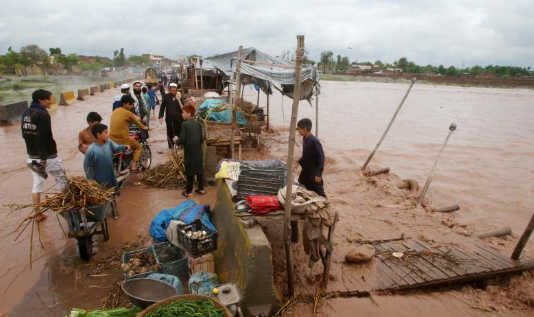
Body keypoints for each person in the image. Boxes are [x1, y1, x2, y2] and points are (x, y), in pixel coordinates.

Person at [21, 89, 67, 222]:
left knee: (37, 184)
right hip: (47, 157)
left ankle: (38, 213)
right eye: (48, 99)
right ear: (40, 100)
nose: (51, 101)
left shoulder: (26, 113)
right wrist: (43, 160)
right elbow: (42, 138)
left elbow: (25, 135)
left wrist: (35, 155)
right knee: (61, 179)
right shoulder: (43, 115)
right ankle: (67, 205)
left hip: (32, 156)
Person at [84, 123, 131, 218]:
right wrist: (91, 181)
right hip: (98, 178)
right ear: (98, 135)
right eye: (106, 132)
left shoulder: (109, 143)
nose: (108, 134)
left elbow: (117, 147)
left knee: (112, 194)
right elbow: (87, 166)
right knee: (101, 196)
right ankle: (102, 212)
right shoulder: (91, 150)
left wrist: (124, 146)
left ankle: (114, 211)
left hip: (110, 175)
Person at [109, 94, 149, 172]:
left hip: (111, 139)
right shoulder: (128, 113)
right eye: (130, 104)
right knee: (138, 147)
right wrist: (145, 127)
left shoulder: (115, 111)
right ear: (125, 104)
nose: (132, 106)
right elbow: (138, 123)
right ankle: (134, 166)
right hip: (122, 140)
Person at [172, 105, 205, 197]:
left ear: (189, 114)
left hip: (189, 152)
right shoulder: (198, 124)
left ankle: (189, 192)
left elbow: (182, 139)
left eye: (183, 112)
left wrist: (176, 141)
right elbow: (202, 139)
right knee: (199, 170)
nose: (182, 114)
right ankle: (201, 189)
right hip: (198, 151)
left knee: (189, 171)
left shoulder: (185, 124)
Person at [295, 118, 326, 198]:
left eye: (299, 129)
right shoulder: (305, 139)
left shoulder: (314, 141)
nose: (298, 132)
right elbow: (306, 154)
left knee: (318, 190)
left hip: (313, 170)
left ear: (305, 129)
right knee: (301, 185)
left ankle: (326, 204)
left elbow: (321, 157)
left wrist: (318, 174)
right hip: (306, 170)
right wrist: (299, 162)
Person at [159, 83, 184, 149]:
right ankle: (171, 147)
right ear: (169, 89)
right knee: (170, 132)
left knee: (179, 131)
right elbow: (162, 107)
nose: (173, 90)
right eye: (171, 89)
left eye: (174, 89)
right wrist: (160, 117)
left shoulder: (179, 97)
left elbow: (183, 107)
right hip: (169, 119)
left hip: (179, 119)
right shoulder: (166, 97)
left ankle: (180, 145)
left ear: (176, 89)